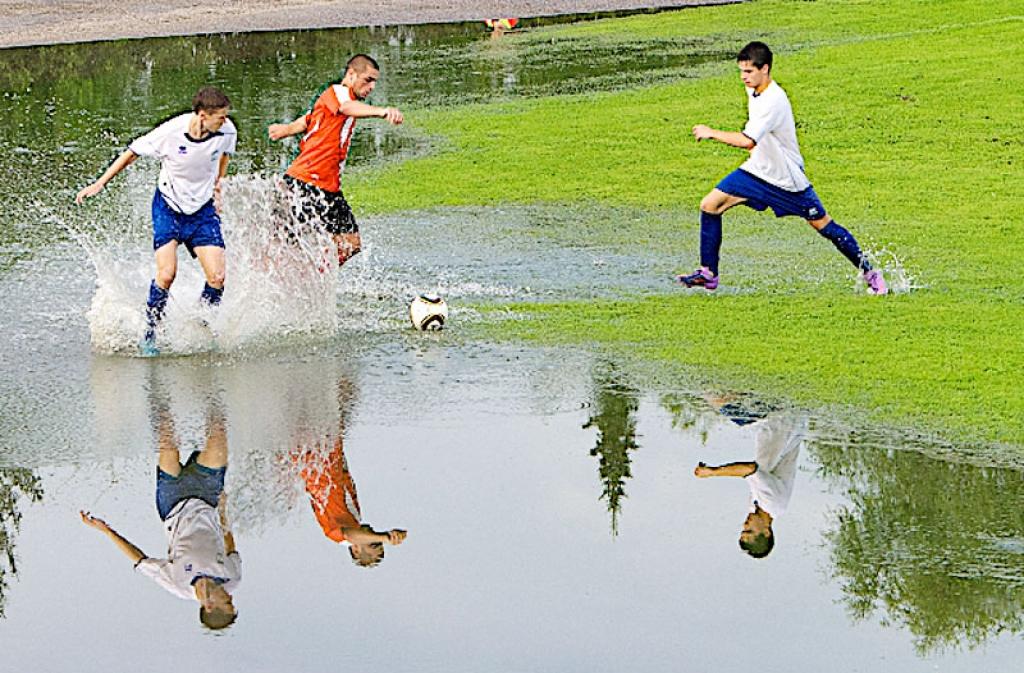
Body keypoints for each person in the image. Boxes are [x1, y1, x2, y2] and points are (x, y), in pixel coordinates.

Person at [678, 41, 887, 295]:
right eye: (741, 71)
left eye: (749, 72)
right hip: (757, 172)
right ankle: (708, 274)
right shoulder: (753, 89)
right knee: (710, 205)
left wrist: (711, 133)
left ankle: (871, 273)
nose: (743, 77)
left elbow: (747, 140)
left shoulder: (773, 101)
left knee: (825, 227)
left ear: (764, 69)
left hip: (787, 181)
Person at [76, 86, 236, 354]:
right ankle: (150, 332)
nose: (225, 121)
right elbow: (132, 152)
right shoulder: (170, 132)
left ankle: (203, 323)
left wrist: (219, 184)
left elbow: (225, 155)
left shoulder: (226, 131)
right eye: (219, 117)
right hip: (169, 208)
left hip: (203, 211)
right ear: (201, 115)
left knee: (218, 277)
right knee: (167, 273)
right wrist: (100, 183)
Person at [79, 393, 240, 629]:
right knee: (218, 432)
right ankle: (208, 382)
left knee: (167, 437)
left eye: (228, 604)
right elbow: (230, 546)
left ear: (209, 606)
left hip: (172, 502)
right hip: (208, 495)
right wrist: (223, 510)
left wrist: (106, 531)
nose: (231, 598)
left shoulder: (177, 585)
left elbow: (140, 560)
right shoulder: (232, 578)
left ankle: (157, 385)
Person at [268, 54, 403, 269]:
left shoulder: (334, 101)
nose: (372, 86)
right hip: (305, 182)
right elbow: (346, 107)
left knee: (350, 244)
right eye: (368, 80)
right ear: (351, 74)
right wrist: (382, 111)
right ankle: (285, 281)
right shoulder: (339, 93)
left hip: (327, 187)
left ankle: (315, 278)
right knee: (283, 246)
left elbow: (308, 119)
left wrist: (286, 130)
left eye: (375, 82)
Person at [292, 379, 406, 567]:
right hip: (325, 447)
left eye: (373, 544)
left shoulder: (339, 535)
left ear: (355, 548)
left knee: (312, 395)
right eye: (377, 542)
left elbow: (349, 536)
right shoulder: (354, 517)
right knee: (341, 392)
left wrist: (385, 537)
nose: (375, 537)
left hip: (312, 452)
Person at [693, 394, 806, 558]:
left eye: (743, 529)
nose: (745, 524)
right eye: (749, 529)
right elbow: (749, 469)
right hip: (784, 419)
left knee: (721, 399)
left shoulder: (755, 505)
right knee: (715, 397)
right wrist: (712, 472)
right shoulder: (774, 504)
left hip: (770, 423)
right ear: (766, 532)